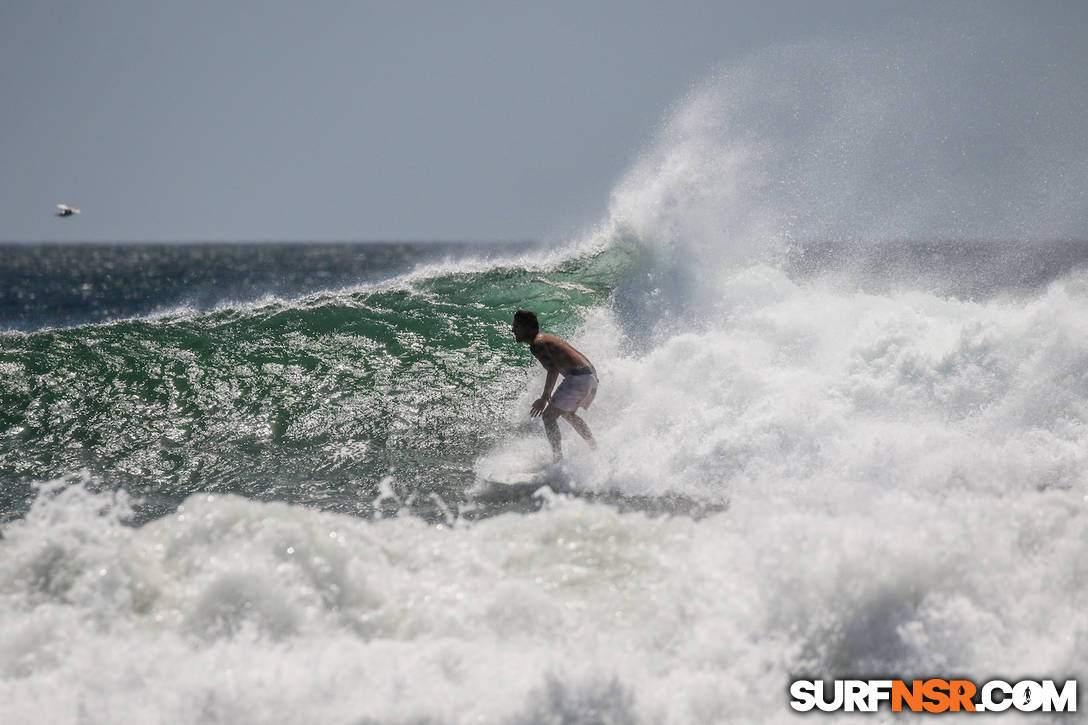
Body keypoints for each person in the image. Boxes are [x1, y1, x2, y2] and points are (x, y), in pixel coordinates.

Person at [511, 309, 598, 461]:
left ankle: (558, 460)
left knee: (548, 417)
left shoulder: (537, 344)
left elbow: (553, 370)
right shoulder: (545, 338)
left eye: (516, 326)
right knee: (567, 414)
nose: (513, 329)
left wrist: (544, 398)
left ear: (527, 327)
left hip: (579, 377)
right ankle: (595, 448)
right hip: (590, 376)